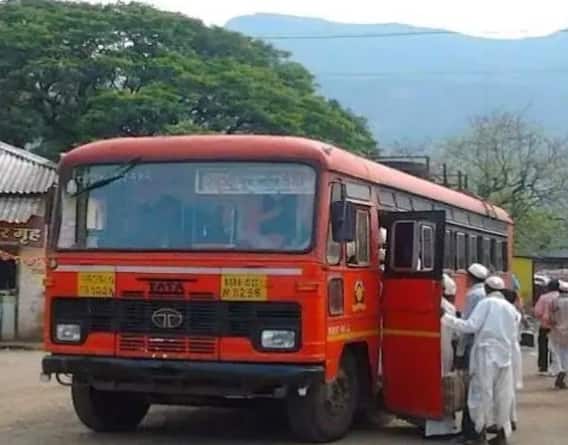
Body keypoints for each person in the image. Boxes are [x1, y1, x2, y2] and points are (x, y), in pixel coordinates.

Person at [443, 276, 519, 445]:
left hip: (485, 355)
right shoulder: (510, 308)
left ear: (486, 289)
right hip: (505, 357)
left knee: (479, 394)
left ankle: (479, 434)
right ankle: (502, 434)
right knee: (502, 396)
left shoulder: (485, 303)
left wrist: (446, 318)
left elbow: (470, 326)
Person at [425, 273, 461, 438]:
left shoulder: (427, 303)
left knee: (432, 386)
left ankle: (432, 428)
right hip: (446, 351)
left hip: (430, 351)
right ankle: (445, 426)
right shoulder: (449, 308)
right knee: (445, 388)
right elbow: (456, 335)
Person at [458, 263, 489, 441]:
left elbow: (467, 325)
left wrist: (460, 351)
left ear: (470, 278)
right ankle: (478, 428)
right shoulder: (486, 294)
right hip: (487, 350)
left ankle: (470, 431)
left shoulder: (473, 295)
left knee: (470, 391)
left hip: (473, 348)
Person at [501, 289, 523, 432]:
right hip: (514, 349)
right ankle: (511, 417)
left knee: (504, 386)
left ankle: (506, 419)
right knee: (511, 386)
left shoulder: (504, 312)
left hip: (505, 348)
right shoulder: (515, 313)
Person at [534, 279, 561, 376]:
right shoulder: (562, 298)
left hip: (545, 326)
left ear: (548, 287)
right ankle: (558, 367)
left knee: (543, 346)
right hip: (559, 327)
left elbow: (537, 312)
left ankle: (543, 367)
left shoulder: (543, 297)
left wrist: (542, 318)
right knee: (558, 347)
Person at [549, 281, 568, 389]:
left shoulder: (554, 302)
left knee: (558, 353)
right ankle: (564, 374)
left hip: (556, 331)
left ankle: (560, 370)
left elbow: (551, 317)